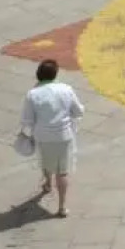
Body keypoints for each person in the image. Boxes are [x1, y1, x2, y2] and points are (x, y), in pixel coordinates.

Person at [19, 59, 84, 218]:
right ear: (55, 74)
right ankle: (61, 207)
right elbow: (78, 111)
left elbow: (27, 120)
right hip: (64, 135)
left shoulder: (32, 94)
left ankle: (47, 184)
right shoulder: (66, 89)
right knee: (62, 172)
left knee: (46, 161)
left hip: (43, 136)